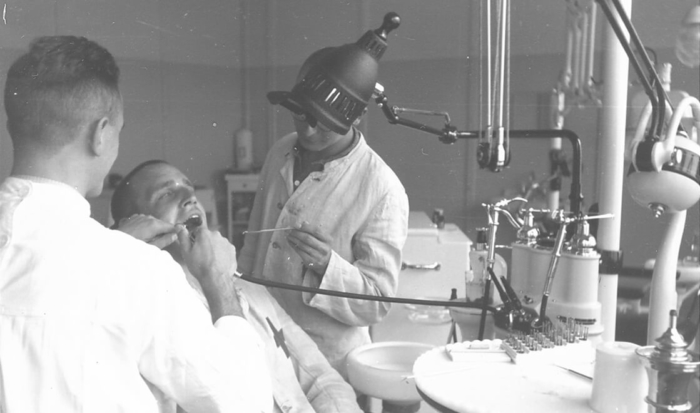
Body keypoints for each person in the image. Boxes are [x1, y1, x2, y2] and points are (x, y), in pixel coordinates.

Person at [0, 35, 272, 413]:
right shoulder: (137, 268)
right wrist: (218, 280)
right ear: (101, 134)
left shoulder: (124, 261)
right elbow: (243, 404)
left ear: (14, 128)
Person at [110, 159, 364, 413]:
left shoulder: (247, 288)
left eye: (189, 188)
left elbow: (321, 377)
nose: (190, 197)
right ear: (139, 226)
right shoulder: (157, 316)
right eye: (166, 194)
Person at [238, 41, 410, 378]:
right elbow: (251, 250)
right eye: (300, 113)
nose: (307, 129)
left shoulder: (381, 188)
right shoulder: (281, 151)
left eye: (323, 121)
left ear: (358, 115)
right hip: (262, 338)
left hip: (328, 361)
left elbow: (378, 301)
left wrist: (327, 266)